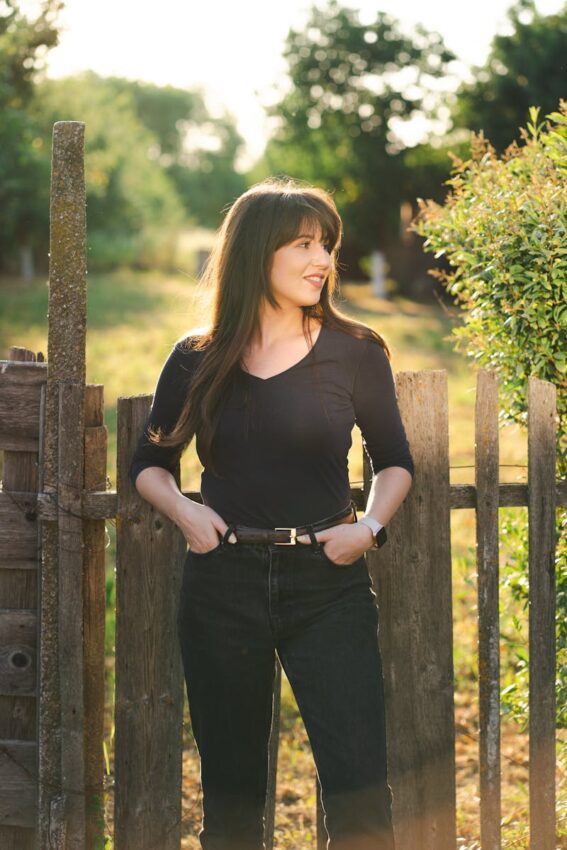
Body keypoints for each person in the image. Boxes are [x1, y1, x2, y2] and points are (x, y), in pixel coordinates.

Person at [129, 177, 414, 850]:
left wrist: (366, 530)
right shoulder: (197, 357)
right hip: (222, 588)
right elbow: (148, 463)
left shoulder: (356, 351)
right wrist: (185, 513)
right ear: (259, 252)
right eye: (304, 245)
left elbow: (394, 461)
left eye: (327, 246)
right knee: (230, 800)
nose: (323, 260)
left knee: (359, 792)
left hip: (328, 586)